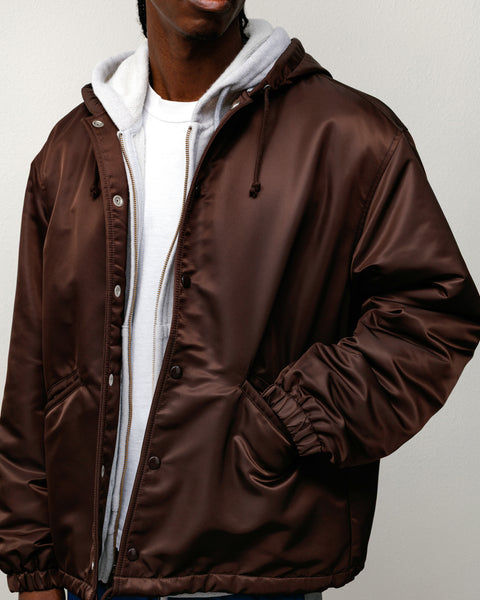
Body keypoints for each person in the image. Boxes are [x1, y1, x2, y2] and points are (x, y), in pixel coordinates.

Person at [1, 2, 480, 600]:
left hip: (251, 573)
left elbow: (432, 315)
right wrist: (34, 564)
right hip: (87, 578)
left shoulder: (349, 135)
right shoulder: (69, 153)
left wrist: (291, 418)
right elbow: (35, 370)